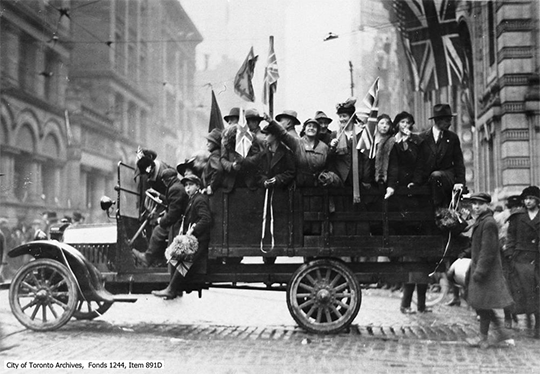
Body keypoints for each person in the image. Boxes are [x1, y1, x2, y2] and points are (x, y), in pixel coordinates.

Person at [465, 192, 515, 349]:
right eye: (474, 204)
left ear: (487, 205)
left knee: (482, 305)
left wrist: (480, 272)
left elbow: (488, 250)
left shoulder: (489, 223)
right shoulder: (482, 221)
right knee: (482, 305)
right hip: (482, 270)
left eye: (480, 204)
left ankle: (488, 338)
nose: (476, 207)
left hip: (486, 272)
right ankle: (491, 336)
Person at [152, 174, 212, 299]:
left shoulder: (199, 199)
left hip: (199, 240)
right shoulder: (193, 199)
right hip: (195, 238)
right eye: (185, 186)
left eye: (190, 185)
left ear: (198, 186)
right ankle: (175, 288)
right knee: (174, 256)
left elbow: (206, 219)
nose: (187, 188)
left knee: (184, 259)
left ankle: (171, 289)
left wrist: (193, 229)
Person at [412, 104, 465, 208]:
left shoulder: (453, 138)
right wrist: (415, 182)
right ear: (437, 120)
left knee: (436, 176)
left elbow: (459, 162)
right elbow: (419, 163)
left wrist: (460, 182)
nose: (450, 124)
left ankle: (440, 209)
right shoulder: (422, 138)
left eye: (450, 120)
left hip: (447, 176)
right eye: (447, 120)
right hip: (428, 179)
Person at [132, 168, 188, 267]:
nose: (163, 182)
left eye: (164, 180)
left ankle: (148, 258)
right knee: (158, 224)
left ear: (168, 180)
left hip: (178, 223)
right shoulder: (177, 186)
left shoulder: (175, 189)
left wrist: (160, 220)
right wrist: (159, 195)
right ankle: (158, 259)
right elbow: (171, 201)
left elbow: (173, 215)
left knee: (158, 230)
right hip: (179, 219)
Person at [505, 186, 540, 338]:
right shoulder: (518, 217)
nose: (528, 202)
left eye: (531, 199)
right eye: (526, 199)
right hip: (520, 259)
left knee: (538, 292)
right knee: (521, 291)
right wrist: (510, 253)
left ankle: (538, 326)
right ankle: (514, 317)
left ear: (538, 201)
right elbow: (510, 236)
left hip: (537, 259)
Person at [263, 115, 328, 187]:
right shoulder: (297, 143)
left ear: (318, 130)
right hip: (300, 186)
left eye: (314, 127)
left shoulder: (324, 147)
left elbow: (327, 164)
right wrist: (271, 121)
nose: (311, 128)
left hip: (318, 186)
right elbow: (283, 134)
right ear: (304, 129)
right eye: (309, 126)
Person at [328, 98, 373, 187]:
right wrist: (332, 147)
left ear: (351, 117)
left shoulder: (361, 133)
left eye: (344, 116)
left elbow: (366, 158)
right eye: (340, 116)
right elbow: (329, 159)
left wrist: (366, 179)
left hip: (358, 180)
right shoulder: (335, 135)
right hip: (340, 180)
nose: (341, 119)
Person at [220, 111, 262, 193]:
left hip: (248, 183)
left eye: (232, 120)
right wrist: (232, 166)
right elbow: (223, 159)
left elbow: (257, 157)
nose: (229, 123)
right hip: (231, 183)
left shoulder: (251, 137)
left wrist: (244, 161)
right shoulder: (225, 137)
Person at [373, 114, 395, 186]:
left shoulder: (392, 141)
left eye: (387, 124)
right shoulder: (372, 141)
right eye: (382, 123)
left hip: (388, 179)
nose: (384, 126)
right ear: (377, 125)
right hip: (372, 178)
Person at [201, 128, 223, 195]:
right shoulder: (217, 154)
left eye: (209, 141)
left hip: (214, 193)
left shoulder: (214, 155)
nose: (207, 144)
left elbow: (218, 170)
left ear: (215, 143)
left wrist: (212, 187)